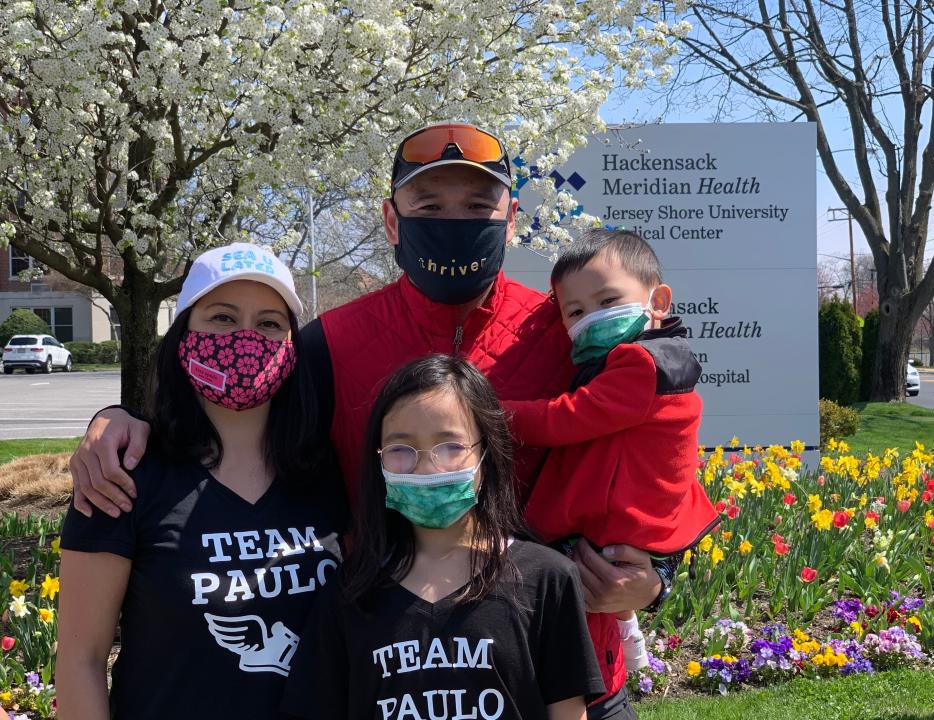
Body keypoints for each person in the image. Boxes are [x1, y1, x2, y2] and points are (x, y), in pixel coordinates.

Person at [66, 123, 664, 713]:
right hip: (391, 681)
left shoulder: (566, 330)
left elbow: (656, 450)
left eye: (478, 205)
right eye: (429, 203)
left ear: (510, 219)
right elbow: (236, 400)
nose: (453, 222)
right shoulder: (331, 343)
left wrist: (655, 576)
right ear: (390, 219)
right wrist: (118, 417)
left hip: (570, 674)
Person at [55, 244, 345, 719]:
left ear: (293, 345)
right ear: (184, 333)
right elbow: (80, 660)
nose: (246, 338)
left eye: (270, 323)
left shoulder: (326, 474)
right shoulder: (122, 475)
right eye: (222, 318)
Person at [280, 355, 605, 720]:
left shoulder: (547, 579)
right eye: (400, 449)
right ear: (379, 460)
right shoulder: (350, 592)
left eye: (450, 446)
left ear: (486, 453)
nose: (426, 465)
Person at [502, 229, 720, 677]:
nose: (591, 319)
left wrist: (494, 415)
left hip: (620, 516)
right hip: (639, 517)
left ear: (658, 302)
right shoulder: (658, 359)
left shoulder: (640, 363)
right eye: (575, 311)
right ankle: (633, 649)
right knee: (602, 592)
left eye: (607, 302)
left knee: (551, 569)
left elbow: (568, 418)